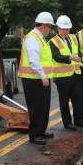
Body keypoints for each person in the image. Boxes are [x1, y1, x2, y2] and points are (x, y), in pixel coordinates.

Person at [18, 12, 55, 145]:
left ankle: (41, 131)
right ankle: (35, 134)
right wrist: (43, 77)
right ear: (44, 26)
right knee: (36, 107)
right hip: (33, 79)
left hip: (40, 78)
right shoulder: (32, 38)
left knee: (44, 107)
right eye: (50, 27)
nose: (50, 30)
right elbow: (34, 61)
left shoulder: (40, 38)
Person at [49, 15, 83, 130]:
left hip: (75, 74)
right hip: (62, 77)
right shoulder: (53, 42)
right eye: (64, 29)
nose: (66, 31)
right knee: (64, 101)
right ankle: (67, 123)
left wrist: (82, 56)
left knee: (78, 99)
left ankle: (79, 120)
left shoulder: (73, 38)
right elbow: (57, 57)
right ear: (58, 28)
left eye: (68, 29)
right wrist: (71, 58)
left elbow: (77, 52)